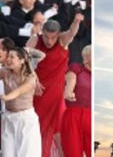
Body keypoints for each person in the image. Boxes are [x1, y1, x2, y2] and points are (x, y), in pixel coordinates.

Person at [28, 14, 83, 157]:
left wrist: (76, 20)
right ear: (42, 33)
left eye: (53, 37)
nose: (49, 41)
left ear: (58, 34)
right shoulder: (35, 39)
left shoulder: (63, 40)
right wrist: (33, 79)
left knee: (58, 128)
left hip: (56, 92)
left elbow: (72, 32)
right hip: (37, 90)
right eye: (46, 36)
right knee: (38, 127)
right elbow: (24, 60)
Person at [0, 47, 42, 157]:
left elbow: (19, 91)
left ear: (21, 60)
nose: (8, 59)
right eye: (8, 56)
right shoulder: (3, 72)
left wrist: (7, 97)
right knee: (7, 154)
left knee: (27, 154)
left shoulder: (30, 76)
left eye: (12, 57)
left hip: (25, 119)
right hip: (8, 117)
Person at [61, 45, 92, 157]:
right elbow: (71, 79)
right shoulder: (77, 68)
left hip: (92, 117)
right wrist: (68, 91)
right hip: (73, 115)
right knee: (73, 152)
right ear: (86, 58)